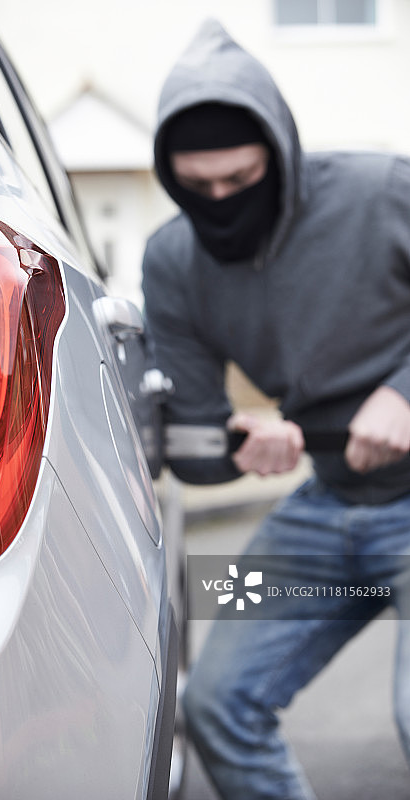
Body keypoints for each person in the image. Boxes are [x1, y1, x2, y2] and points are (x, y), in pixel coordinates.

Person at [141, 17, 410, 800]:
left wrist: (402, 391)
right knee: (214, 705)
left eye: (241, 181)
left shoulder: (383, 192)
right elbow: (193, 439)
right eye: (198, 189)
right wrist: (237, 441)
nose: (221, 203)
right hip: (325, 505)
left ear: (279, 157)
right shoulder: (172, 260)